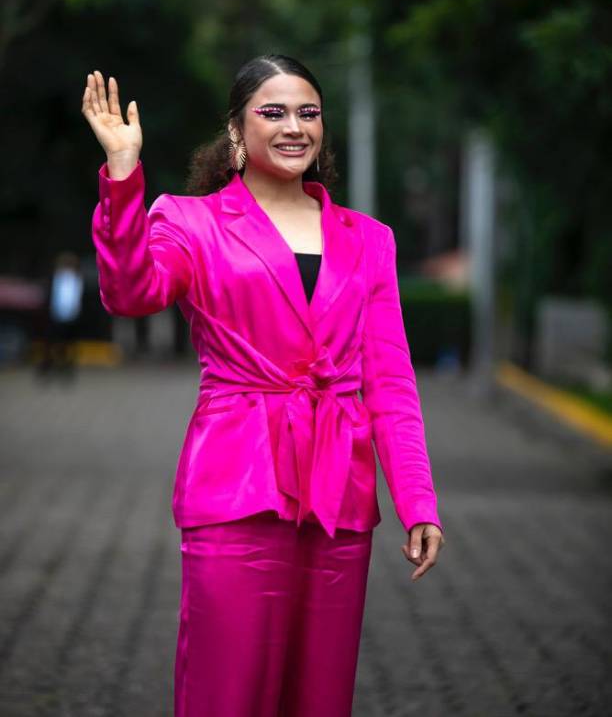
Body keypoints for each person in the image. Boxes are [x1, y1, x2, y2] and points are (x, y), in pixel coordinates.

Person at [82, 55, 445, 717]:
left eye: (309, 113)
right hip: (236, 483)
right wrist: (124, 173)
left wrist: (417, 501)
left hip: (339, 495)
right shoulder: (190, 222)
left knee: (319, 696)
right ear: (236, 130)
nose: (294, 127)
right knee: (226, 690)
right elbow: (130, 293)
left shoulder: (370, 240)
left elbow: (390, 382)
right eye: (272, 112)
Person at [37, 251, 84, 380]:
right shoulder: (53, 278)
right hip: (54, 316)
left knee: (68, 344)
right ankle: (48, 366)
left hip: (72, 318)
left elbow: (77, 298)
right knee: (50, 343)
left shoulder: (78, 279)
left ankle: (65, 368)